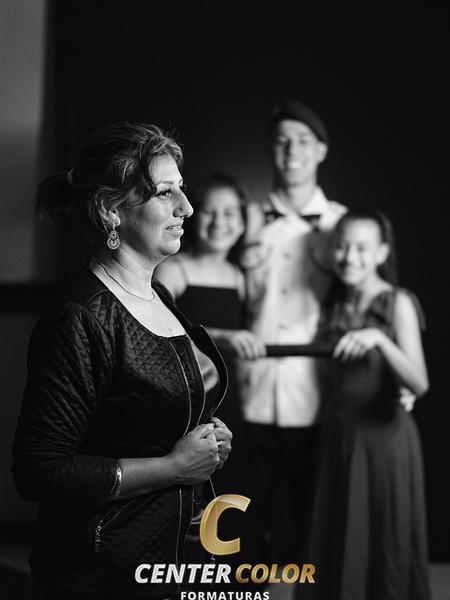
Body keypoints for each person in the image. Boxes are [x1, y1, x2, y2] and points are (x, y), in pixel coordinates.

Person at [11, 122, 232, 600]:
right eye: (165, 193)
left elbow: (141, 417)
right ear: (111, 210)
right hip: (100, 576)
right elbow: (39, 471)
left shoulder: (161, 296)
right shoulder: (80, 318)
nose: (187, 207)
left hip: (168, 565)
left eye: (182, 189)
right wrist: (174, 467)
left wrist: (204, 436)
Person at [299, 207, 430, 599]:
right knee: (340, 539)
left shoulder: (397, 302)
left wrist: (380, 340)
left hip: (384, 442)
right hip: (339, 437)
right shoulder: (334, 303)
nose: (350, 257)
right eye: (342, 246)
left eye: (362, 248)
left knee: (383, 541)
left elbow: (419, 382)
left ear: (382, 253)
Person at [239, 99, 346, 562]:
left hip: (317, 390)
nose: (292, 151)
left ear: (321, 150)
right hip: (251, 386)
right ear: (270, 150)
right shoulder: (244, 218)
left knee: (309, 516)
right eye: (282, 141)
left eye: (303, 141)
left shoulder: (342, 223)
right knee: (244, 515)